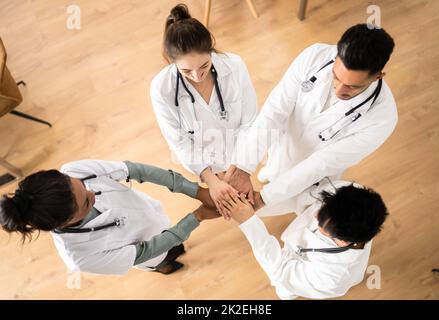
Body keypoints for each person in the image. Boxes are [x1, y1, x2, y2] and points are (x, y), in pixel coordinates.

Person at [225, 24, 397, 210]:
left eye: (352, 87)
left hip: (312, 176)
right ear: (336, 56)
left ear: (378, 76)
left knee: (295, 203)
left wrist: (264, 198)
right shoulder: (315, 56)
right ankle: (269, 172)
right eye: (336, 76)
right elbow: (275, 110)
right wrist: (243, 166)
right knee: (272, 167)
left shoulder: (382, 118)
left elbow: (321, 163)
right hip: (284, 145)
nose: (339, 90)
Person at [0, 159, 219, 275]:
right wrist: (197, 216)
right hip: (151, 252)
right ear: (64, 222)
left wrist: (198, 192)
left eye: (83, 186)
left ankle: (175, 248)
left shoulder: (74, 169)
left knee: (175, 240)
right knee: (164, 258)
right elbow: (144, 252)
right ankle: (164, 268)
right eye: (86, 202)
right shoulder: (80, 256)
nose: (92, 193)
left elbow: (136, 170)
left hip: (153, 215)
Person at [150, 4, 258, 213]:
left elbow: (250, 122)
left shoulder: (235, 66)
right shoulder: (161, 89)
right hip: (204, 162)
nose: (197, 76)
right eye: (186, 71)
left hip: (240, 154)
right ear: (172, 62)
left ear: (211, 50)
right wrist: (211, 180)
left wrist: (241, 169)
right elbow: (180, 142)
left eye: (204, 66)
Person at [221, 178, 389, 299]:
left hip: (309, 280)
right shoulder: (346, 192)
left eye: (322, 224)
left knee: (284, 289)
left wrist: (249, 222)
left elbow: (279, 271)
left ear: (343, 242)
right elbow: (309, 195)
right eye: (322, 210)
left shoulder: (330, 278)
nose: (315, 214)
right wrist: (258, 204)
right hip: (300, 251)